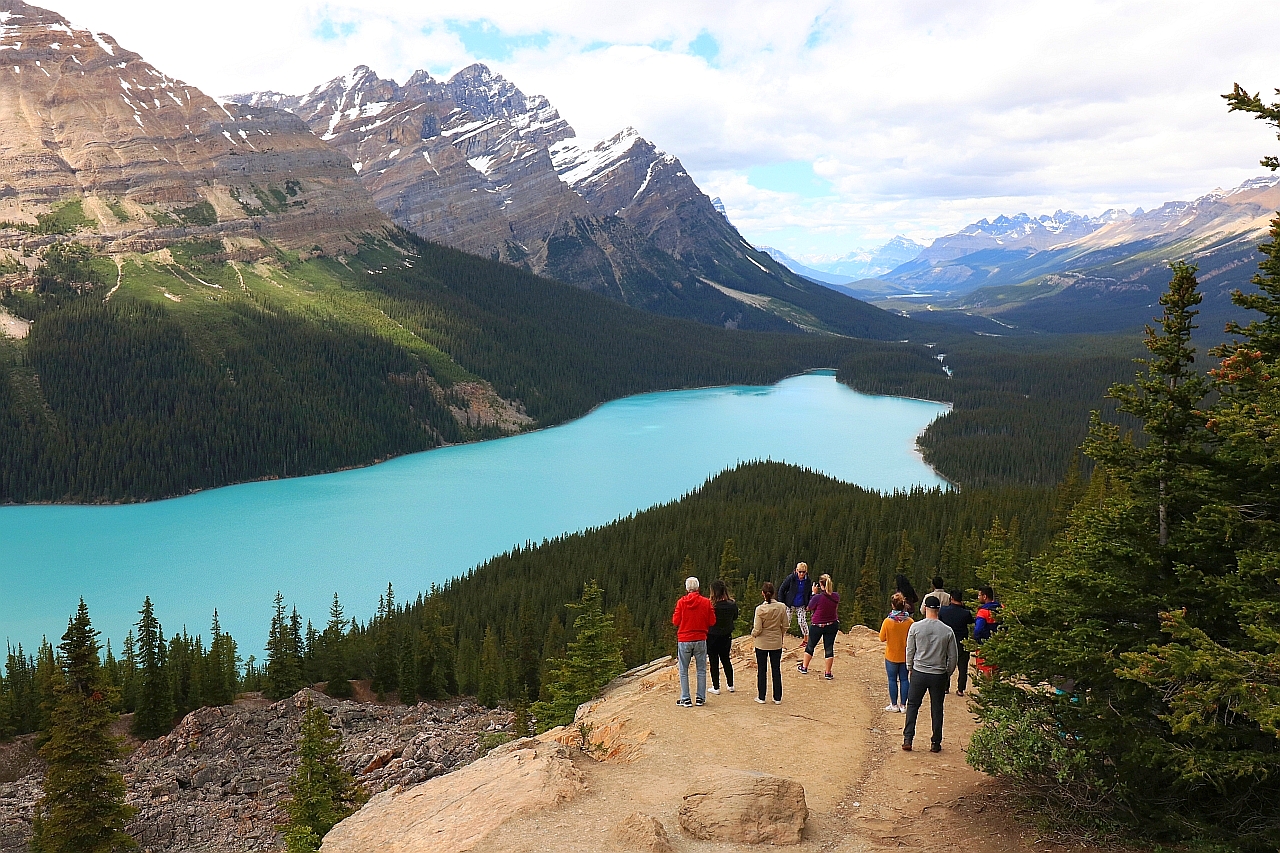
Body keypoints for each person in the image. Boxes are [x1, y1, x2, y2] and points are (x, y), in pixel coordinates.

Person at [902, 595, 959, 753]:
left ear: (925, 608)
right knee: (937, 708)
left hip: (919, 671)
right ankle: (935, 742)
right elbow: (953, 656)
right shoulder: (947, 631)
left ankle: (908, 738)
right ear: (939, 610)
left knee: (913, 705)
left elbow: (910, 650)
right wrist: (948, 672)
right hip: (938, 673)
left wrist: (910, 666)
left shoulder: (916, 627)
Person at [671, 576, 715, 707]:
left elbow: (675, 621)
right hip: (701, 638)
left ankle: (686, 698)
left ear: (686, 589)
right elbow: (712, 621)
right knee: (701, 669)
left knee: (683, 670)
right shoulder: (706, 602)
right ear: (698, 588)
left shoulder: (681, 602)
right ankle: (700, 698)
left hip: (684, 639)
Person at [751, 581, 788, 704]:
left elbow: (758, 629)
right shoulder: (781, 607)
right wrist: (780, 634)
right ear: (773, 593)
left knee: (762, 669)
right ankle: (777, 697)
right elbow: (786, 625)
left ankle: (761, 696)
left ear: (763, 593)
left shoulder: (760, 609)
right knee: (776, 669)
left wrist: (753, 634)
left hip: (762, 643)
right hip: (776, 642)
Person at [878, 592, 913, 712]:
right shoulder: (910, 622)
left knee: (892, 680)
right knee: (904, 679)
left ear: (893, 605)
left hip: (891, 655)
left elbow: (882, 638)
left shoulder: (888, 621)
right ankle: (903, 705)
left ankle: (894, 705)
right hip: (905, 656)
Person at [800, 574, 840, 679]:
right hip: (832, 624)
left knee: (810, 646)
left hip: (817, 625)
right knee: (829, 647)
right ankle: (828, 672)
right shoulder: (836, 596)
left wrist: (813, 593)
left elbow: (809, 607)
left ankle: (804, 667)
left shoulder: (817, 597)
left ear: (821, 585)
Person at [938, 589, 975, 696]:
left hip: (947, 641)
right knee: (963, 667)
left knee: (945, 664)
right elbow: (971, 621)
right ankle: (960, 689)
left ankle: (945, 687)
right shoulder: (966, 613)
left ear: (951, 599)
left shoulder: (943, 610)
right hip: (962, 641)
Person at [707, 580, 739, 694]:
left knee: (713, 661)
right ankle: (730, 685)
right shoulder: (732, 604)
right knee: (726, 660)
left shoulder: (711, 606)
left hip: (712, 636)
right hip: (726, 635)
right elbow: (735, 617)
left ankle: (716, 687)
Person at [777, 562, 812, 644]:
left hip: (801, 604)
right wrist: (782, 603)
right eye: (800, 572)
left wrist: (808, 604)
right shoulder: (791, 578)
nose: (801, 574)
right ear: (796, 570)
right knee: (786, 622)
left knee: (802, 621)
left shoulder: (807, 581)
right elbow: (782, 589)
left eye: (803, 572)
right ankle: (780, 640)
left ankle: (806, 639)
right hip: (789, 603)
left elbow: (809, 593)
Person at [972, 585, 1002, 676]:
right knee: (996, 669)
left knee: (986, 669)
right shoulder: (1001, 608)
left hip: (985, 645)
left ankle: (987, 689)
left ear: (984, 597)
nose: (978, 597)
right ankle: (996, 688)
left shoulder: (983, 612)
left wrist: (977, 640)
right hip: (999, 644)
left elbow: (978, 629)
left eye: (979, 595)